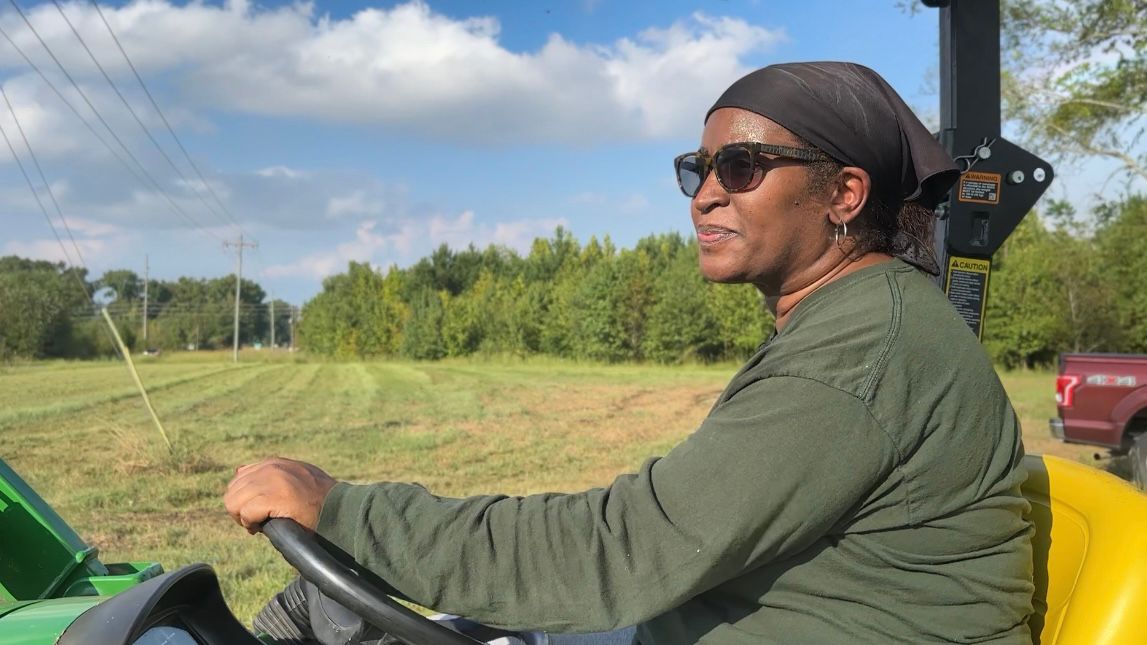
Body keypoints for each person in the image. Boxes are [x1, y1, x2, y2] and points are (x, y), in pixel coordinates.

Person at [225, 61, 1035, 644]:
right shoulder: (857, 320)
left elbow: (623, 549)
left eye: (742, 166)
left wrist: (343, 511)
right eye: (698, 168)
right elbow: (666, 525)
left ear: (843, 194)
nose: (707, 193)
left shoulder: (864, 349)